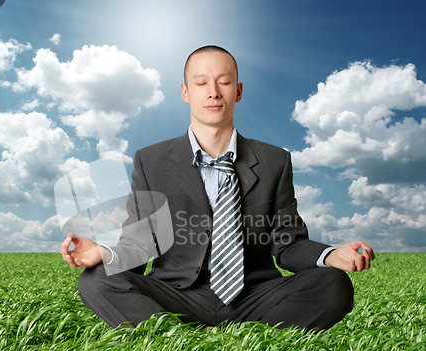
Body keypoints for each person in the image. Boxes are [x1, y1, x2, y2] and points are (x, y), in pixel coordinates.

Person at [60, 45, 375, 331]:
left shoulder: (274, 160)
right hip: (178, 295)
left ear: (237, 91)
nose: (213, 92)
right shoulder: (150, 160)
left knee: (333, 284)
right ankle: (176, 341)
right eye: (201, 83)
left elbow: (288, 244)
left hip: (254, 296)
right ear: (185, 92)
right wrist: (103, 252)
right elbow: (141, 246)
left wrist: (331, 255)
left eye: (223, 82)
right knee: (97, 280)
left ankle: (250, 338)